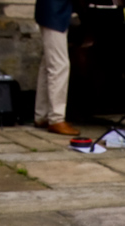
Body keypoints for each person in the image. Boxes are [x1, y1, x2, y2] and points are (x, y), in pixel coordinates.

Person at [34, 0, 80, 135]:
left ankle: (42, 115)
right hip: (54, 13)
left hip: (53, 13)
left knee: (48, 64)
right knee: (60, 65)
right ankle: (56, 119)